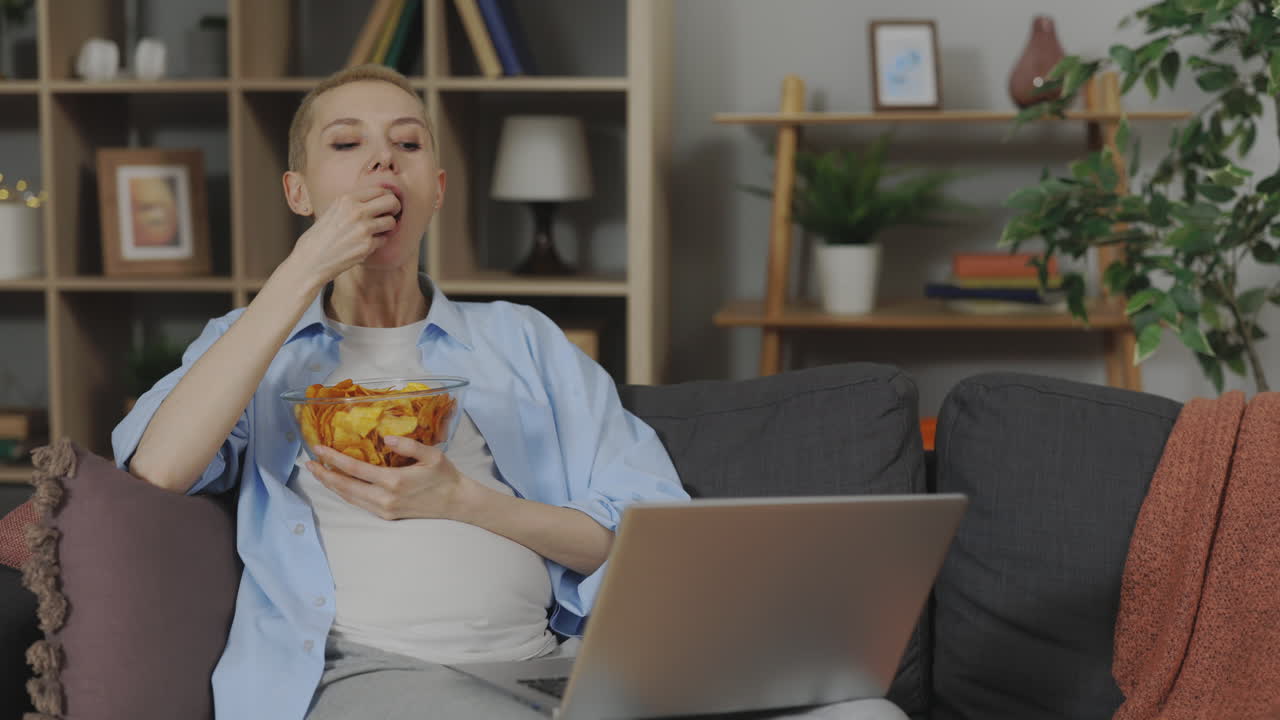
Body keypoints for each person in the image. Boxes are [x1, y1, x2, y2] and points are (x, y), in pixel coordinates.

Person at [111, 65, 907, 720]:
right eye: (347, 144)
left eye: (408, 144)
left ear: (438, 187)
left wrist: (461, 500)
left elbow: (644, 537)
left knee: (865, 715)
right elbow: (159, 470)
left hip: (561, 670)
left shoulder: (521, 340)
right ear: (298, 193)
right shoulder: (252, 346)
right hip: (378, 676)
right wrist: (301, 272)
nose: (382, 163)